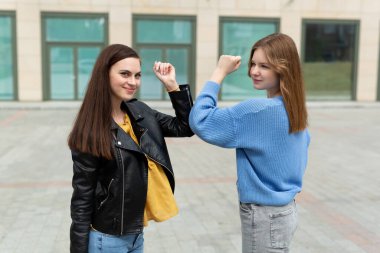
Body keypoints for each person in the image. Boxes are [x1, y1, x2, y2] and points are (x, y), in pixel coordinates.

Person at [189, 33, 310, 253]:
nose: (254, 71)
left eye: (264, 66)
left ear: (283, 68)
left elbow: (201, 120)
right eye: (253, 63)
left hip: (265, 216)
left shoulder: (257, 110)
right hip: (285, 212)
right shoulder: (295, 109)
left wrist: (219, 72)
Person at [67, 44, 193, 253]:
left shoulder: (140, 112)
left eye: (137, 75)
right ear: (104, 74)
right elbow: (82, 198)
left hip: (136, 236)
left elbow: (186, 127)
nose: (133, 82)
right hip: (106, 240)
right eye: (125, 74)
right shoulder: (90, 131)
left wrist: (172, 86)